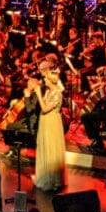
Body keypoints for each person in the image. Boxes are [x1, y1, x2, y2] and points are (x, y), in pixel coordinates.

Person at [32, 61, 67, 194]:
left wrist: (38, 94)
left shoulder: (57, 93)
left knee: (52, 148)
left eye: (46, 78)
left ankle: (54, 181)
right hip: (45, 122)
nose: (44, 80)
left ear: (51, 80)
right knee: (45, 147)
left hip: (52, 123)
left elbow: (45, 108)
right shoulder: (48, 91)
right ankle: (45, 176)